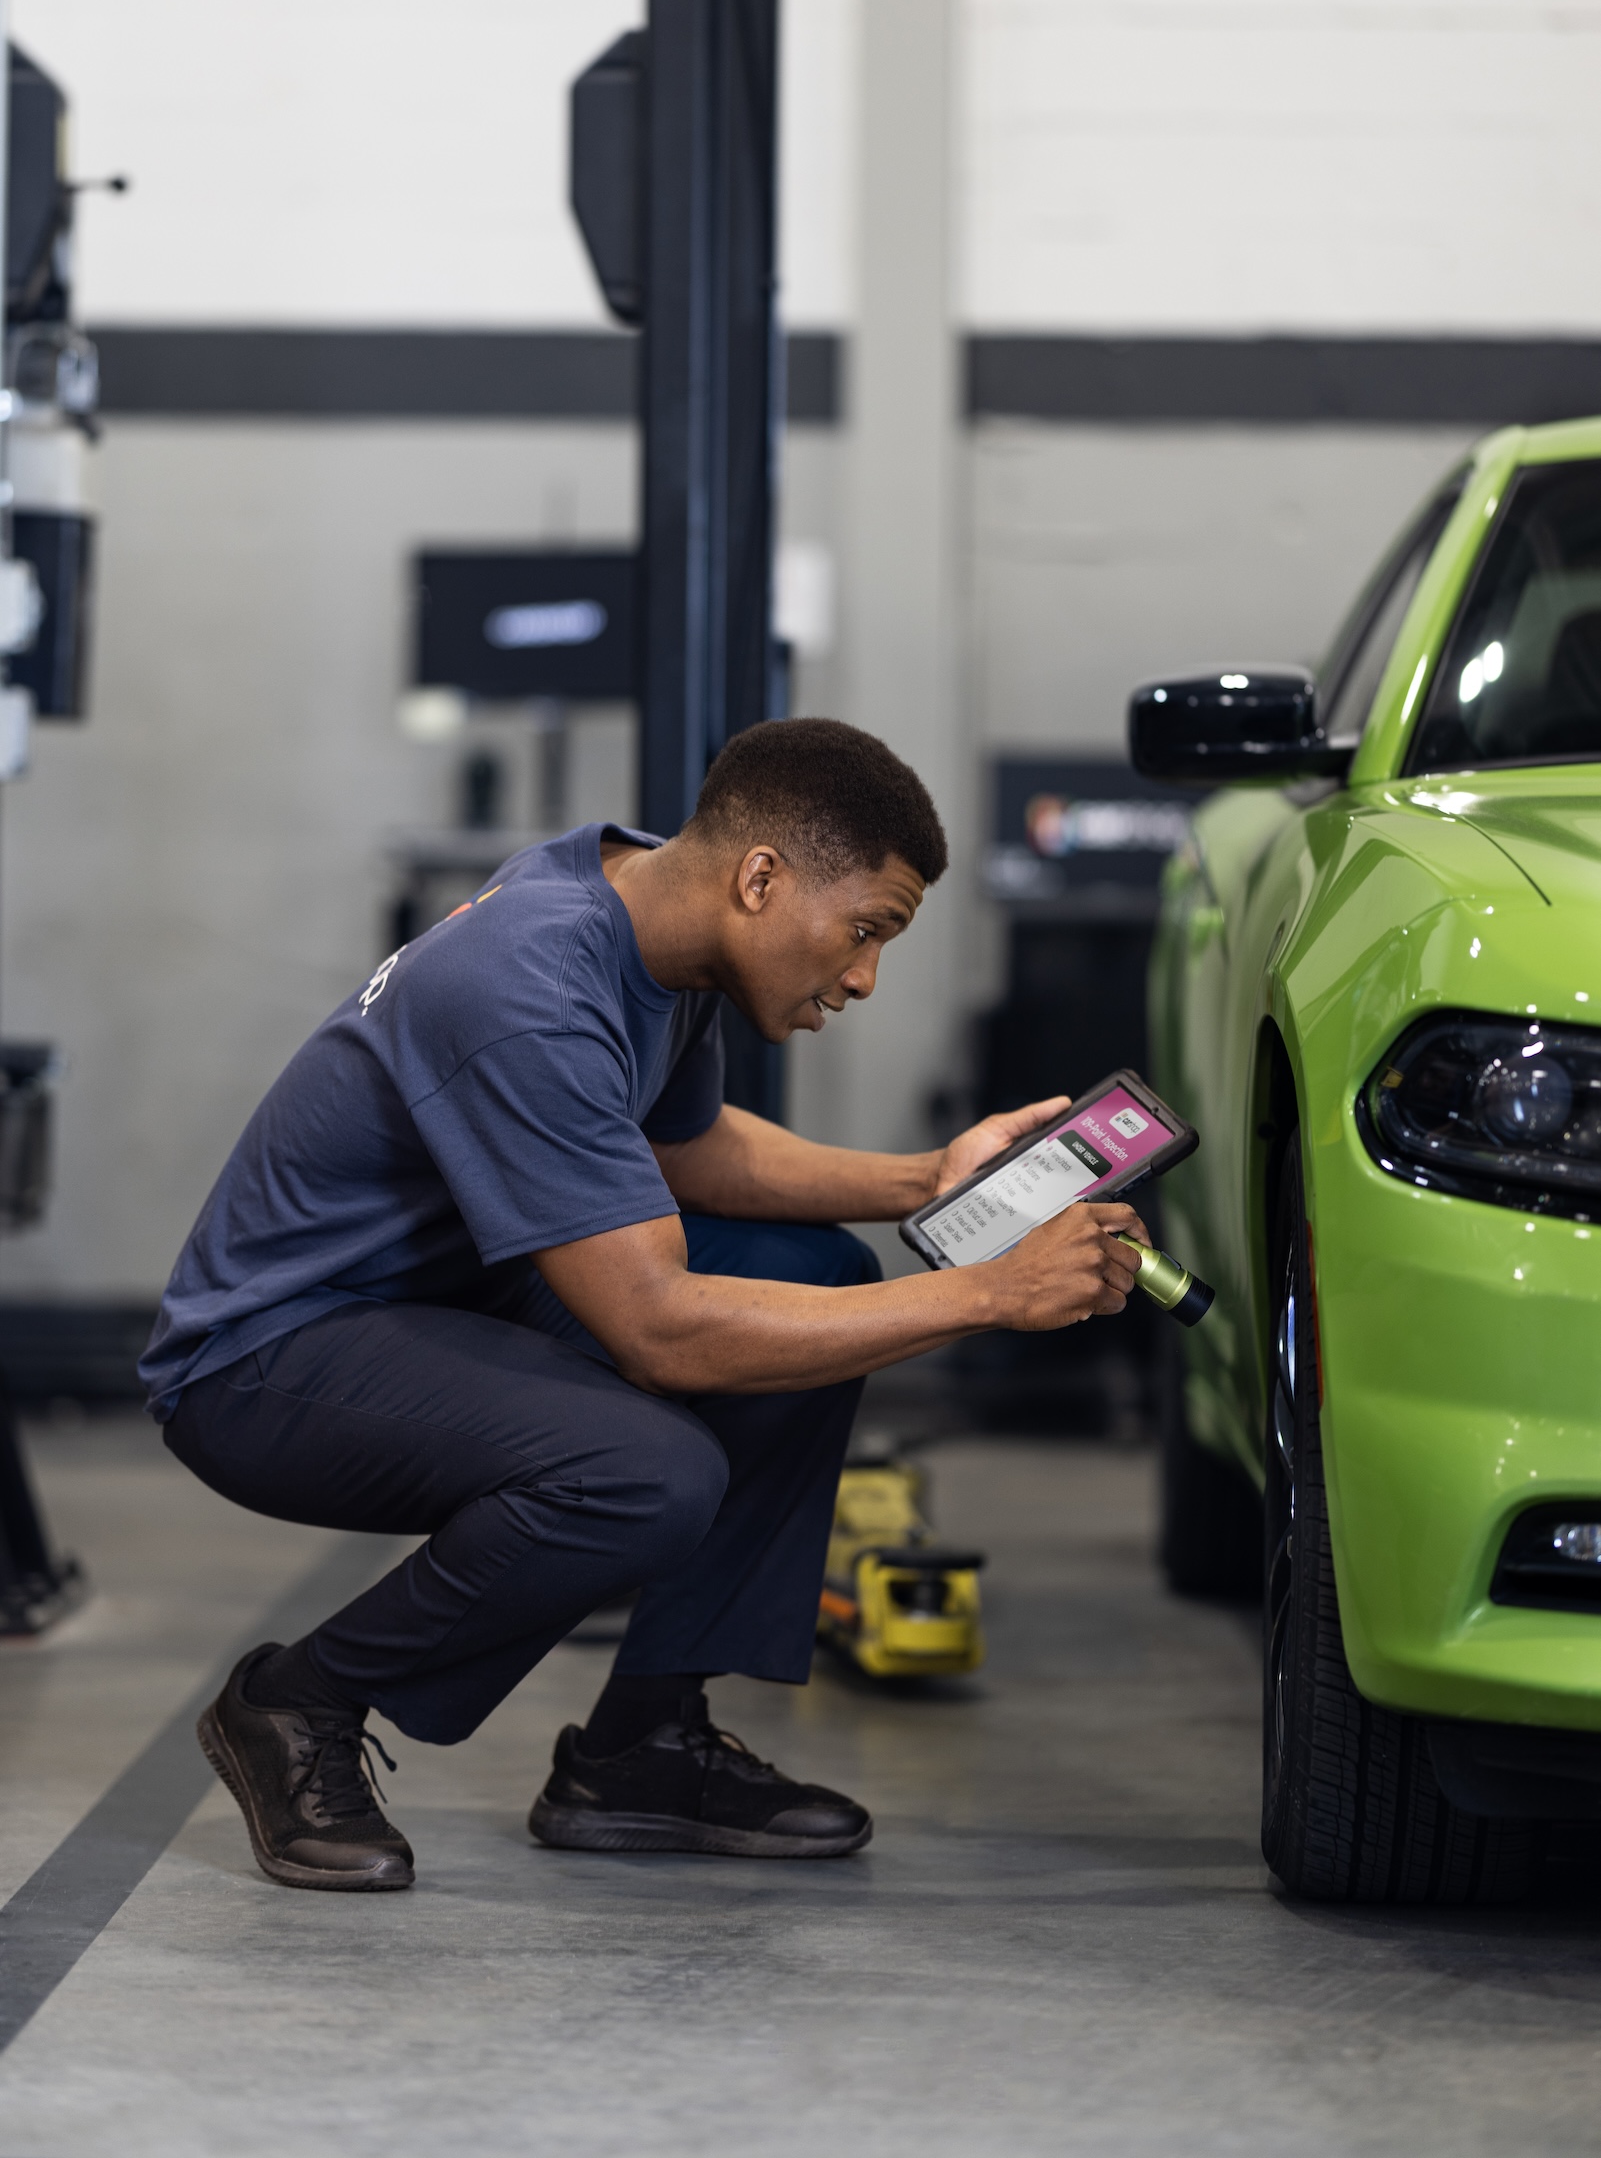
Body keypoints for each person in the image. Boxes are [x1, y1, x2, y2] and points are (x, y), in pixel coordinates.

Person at [144, 718, 1146, 1892]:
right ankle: (299, 1699)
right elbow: (659, 1329)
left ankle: (640, 1748)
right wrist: (985, 1295)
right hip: (263, 1358)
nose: (865, 976)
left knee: (816, 1279)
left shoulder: (643, 914)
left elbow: (683, 1148)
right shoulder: (526, 980)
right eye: (866, 931)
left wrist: (925, 1182)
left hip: (445, 1295)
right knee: (645, 1472)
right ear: (760, 879)